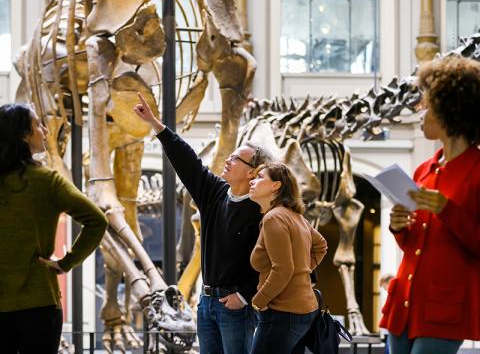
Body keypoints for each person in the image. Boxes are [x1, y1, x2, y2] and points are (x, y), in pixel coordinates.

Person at [134, 93, 272, 354]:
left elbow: (270, 260)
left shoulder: (261, 209)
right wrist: (156, 125)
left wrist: (244, 295)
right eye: (229, 156)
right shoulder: (215, 192)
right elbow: (188, 162)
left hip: (235, 306)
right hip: (207, 303)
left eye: (236, 159)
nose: (228, 161)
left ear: (252, 172)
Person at [379, 55, 480, 354]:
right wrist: (399, 227)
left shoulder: (477, 170)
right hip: (405, 300)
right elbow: (414, 244)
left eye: (428, 106)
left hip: (444, 306)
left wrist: (446, 210)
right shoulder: (424, 169)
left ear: (451, 112)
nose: (421, 113)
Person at [0, 103, 108, 354]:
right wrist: (66, 262)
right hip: (39, 305)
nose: (45, 130)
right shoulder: (47, 181)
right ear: (24, 135)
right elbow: (97, 220)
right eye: (38, 124)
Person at [248, 161, 328, 354]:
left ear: (276, 185)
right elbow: (321, 246)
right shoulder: (296, 216)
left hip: (282, 312)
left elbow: (283, 269)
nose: (252, 181)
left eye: (259, 177)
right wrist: (302, 270)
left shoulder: (274, 218)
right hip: (304, 310)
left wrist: (258, 300)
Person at [379, 273, 394, 354]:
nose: (385, 290)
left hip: (393, 329)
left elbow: (385, 310)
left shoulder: (393, 293)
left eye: (384, 287)